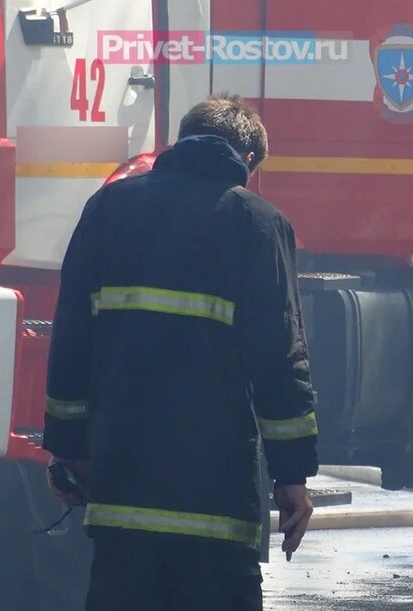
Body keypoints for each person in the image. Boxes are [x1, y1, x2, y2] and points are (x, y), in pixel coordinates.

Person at [43, 95, 319, 611]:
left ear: (180, 140)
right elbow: (280, 359)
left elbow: (72, 339)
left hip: (121, 491)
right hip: (215, 502)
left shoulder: (107, 208)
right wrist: (292, 476)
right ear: (248, 162)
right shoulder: (259, 223)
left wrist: (65, 449)